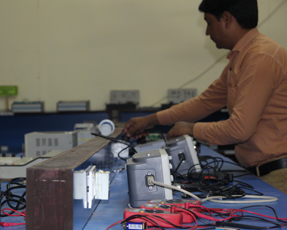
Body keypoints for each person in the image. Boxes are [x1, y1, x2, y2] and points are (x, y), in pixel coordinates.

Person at [123, 0, 287, 194]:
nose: (208, 32)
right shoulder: (242, 58)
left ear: (226, 19)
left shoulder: (261, 57)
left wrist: (191, 129)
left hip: (278, 176)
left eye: (209, 23)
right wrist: (150, 120)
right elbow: (204, 103)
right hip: (262, 173)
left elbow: (240, 129)